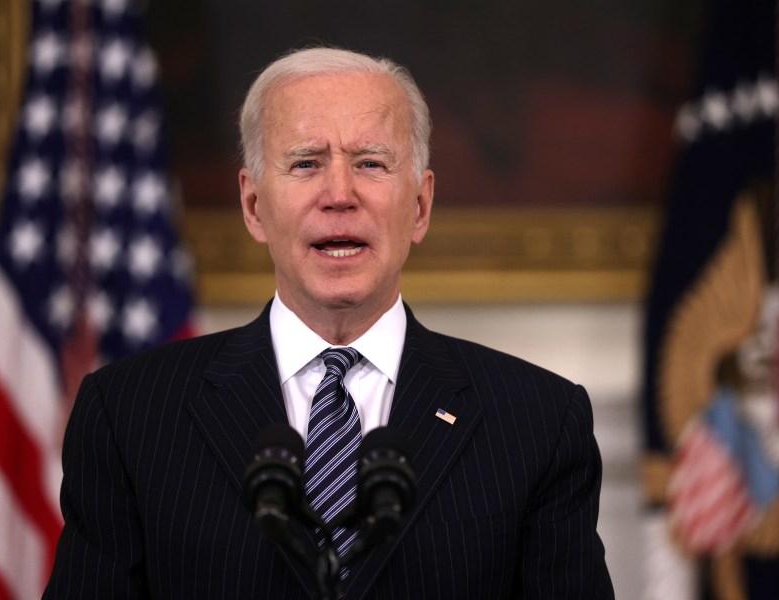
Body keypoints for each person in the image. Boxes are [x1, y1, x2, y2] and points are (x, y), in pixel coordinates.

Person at [43, 47, 615, 599]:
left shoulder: (538, 422)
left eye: (370, 163)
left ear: (419, 205)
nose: (339, 195)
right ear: (253, 206)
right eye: (305, 163)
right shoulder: (128, 413)